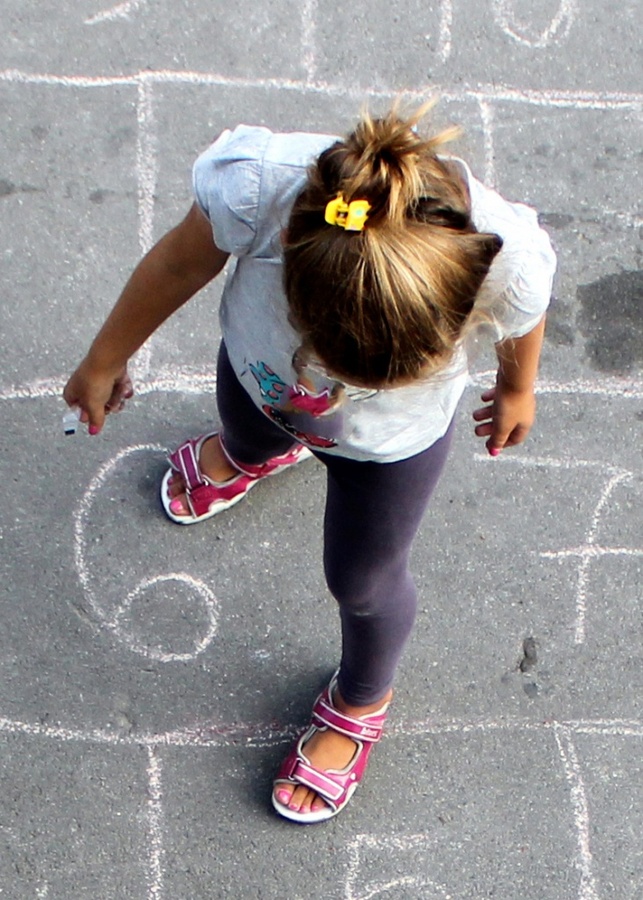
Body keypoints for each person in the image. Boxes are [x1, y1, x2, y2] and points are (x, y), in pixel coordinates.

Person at [63, 102, 556, 824]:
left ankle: (362, 695)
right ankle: (251, 453)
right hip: (265, 380)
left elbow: (526, 309)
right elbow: (179, 259)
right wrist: (106, 356)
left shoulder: (497, 250)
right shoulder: (260, 190)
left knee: (362, 578)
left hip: (391, 445)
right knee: (250, 426)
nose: (343, 381)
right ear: (294, 256)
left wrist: (516, 387)